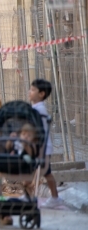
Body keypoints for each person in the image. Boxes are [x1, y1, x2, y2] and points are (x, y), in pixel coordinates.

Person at [29, 79, 66, 208]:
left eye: (33, 90)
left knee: (44, 173)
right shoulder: (35, 108)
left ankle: (54, 197)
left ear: (42, 94)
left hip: (42, 148)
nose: (30, 92)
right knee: (45, 173)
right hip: (38, 148)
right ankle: (54, 197)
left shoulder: (40, 110)